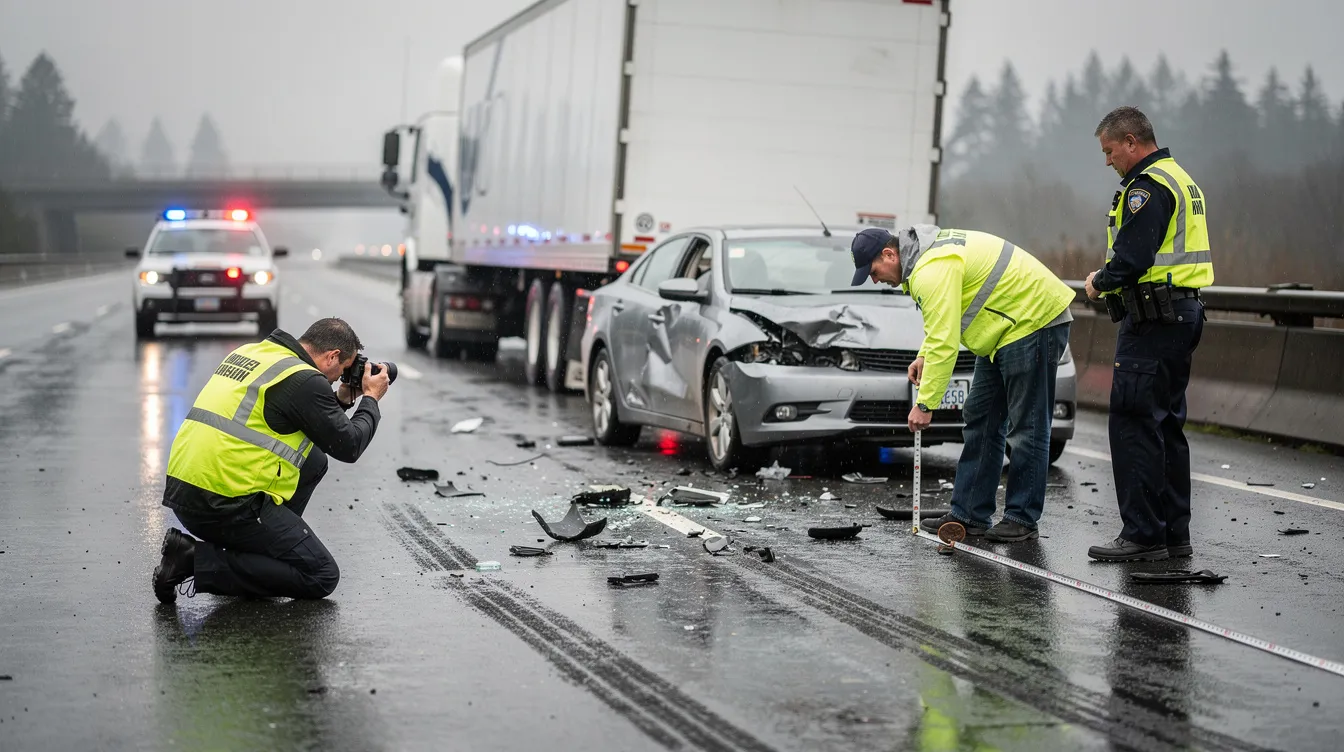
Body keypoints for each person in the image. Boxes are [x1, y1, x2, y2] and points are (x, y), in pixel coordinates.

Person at [851, 225, 1074, 541]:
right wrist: (924, 356)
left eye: (873, 272)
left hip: (1033, 320)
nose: (875, 280)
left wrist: (926, 404)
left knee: (1027, 427)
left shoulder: (930, 270)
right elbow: (943, 322)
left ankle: (1022, 519)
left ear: (889, 254)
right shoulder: (925, 261)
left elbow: (945, 342)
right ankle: (969, 514)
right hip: (1002, 329)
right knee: (981, 419)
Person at [151, 318, 390, 602]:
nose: (338, 378)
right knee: (321, 575)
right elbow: (349, 445)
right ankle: (192, 559)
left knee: (313, 460)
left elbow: (296, 419)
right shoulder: (305, 380)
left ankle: (256, 556)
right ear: (332, 357)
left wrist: (339, 399)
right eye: (341, 371)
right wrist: (371, 399)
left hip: (188, 490)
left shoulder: (256, 353)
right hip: (221, 502)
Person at [1084, 106, 1213, 562]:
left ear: (1132, 142)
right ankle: (1174, 535)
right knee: (1166, 425)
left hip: (1154, 318)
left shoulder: (1147, 187)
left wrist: (1100, 280)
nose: (1108, 161)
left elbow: (1133, 258)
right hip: (1182, 313)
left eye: (1110, 150)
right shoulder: (1181, 177)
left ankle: (1142, 534)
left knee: (1134, 420)